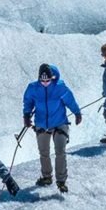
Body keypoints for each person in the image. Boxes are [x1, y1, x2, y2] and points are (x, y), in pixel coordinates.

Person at [22, 64, 82, 193]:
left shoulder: (60, 87)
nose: (45, 83)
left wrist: (77, 113)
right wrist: (26, 115)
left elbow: (70, 101)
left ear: (52, 78)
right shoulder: (33, 88)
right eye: (42, 80)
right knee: (44, 152)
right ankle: (47, 177)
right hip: (41, 124)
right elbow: (28, 102)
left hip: (59, 123)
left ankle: (61, 181)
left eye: (47, 80)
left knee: (60, 152)